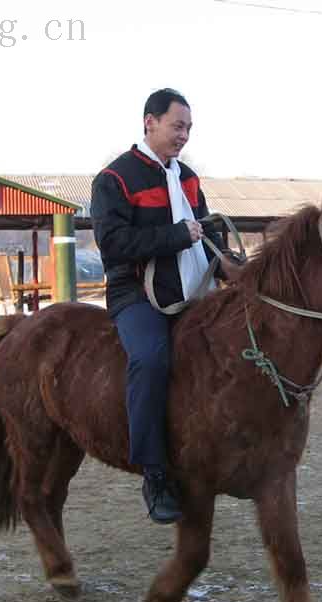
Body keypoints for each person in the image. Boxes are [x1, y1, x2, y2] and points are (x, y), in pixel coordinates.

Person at [91, 88, 231, 525]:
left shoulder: (189, 177)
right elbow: (112, 244)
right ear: (149, 122)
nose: (184, 135)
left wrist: (232, 268)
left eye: (188, 128)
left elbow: (206, 235)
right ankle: (154, 471)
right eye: (177, 126)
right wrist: (174, 235)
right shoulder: (113, 180)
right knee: (151, 360)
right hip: (135, 294)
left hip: (192, 292)